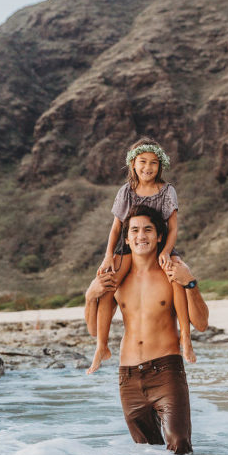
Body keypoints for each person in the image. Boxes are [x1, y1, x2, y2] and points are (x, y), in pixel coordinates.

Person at [84, 205, 209, 454]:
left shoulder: (171, 270)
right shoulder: (117, 275)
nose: (141, 236)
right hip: (128, 377)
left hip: (166, 371)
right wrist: (90, 295)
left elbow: (202, 324)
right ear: (127, 238)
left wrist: (191, 284)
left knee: (180, 448)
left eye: (148, 230)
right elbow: (94, 332)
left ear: (159, 235)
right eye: (135, 231)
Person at [88, 137, 195, 373]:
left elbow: (173, 227)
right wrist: (108, 256)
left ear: (161, 165)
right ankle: (101, 346)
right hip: (129, 246)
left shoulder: (167, 191)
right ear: (133, 164)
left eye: (154, 163)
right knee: (107, 284)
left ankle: (186, 338)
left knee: (176, 276)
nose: (148, 167)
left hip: (160, 243)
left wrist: (167, 251)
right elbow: (116, 228)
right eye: (143, 162)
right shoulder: (126, 191)